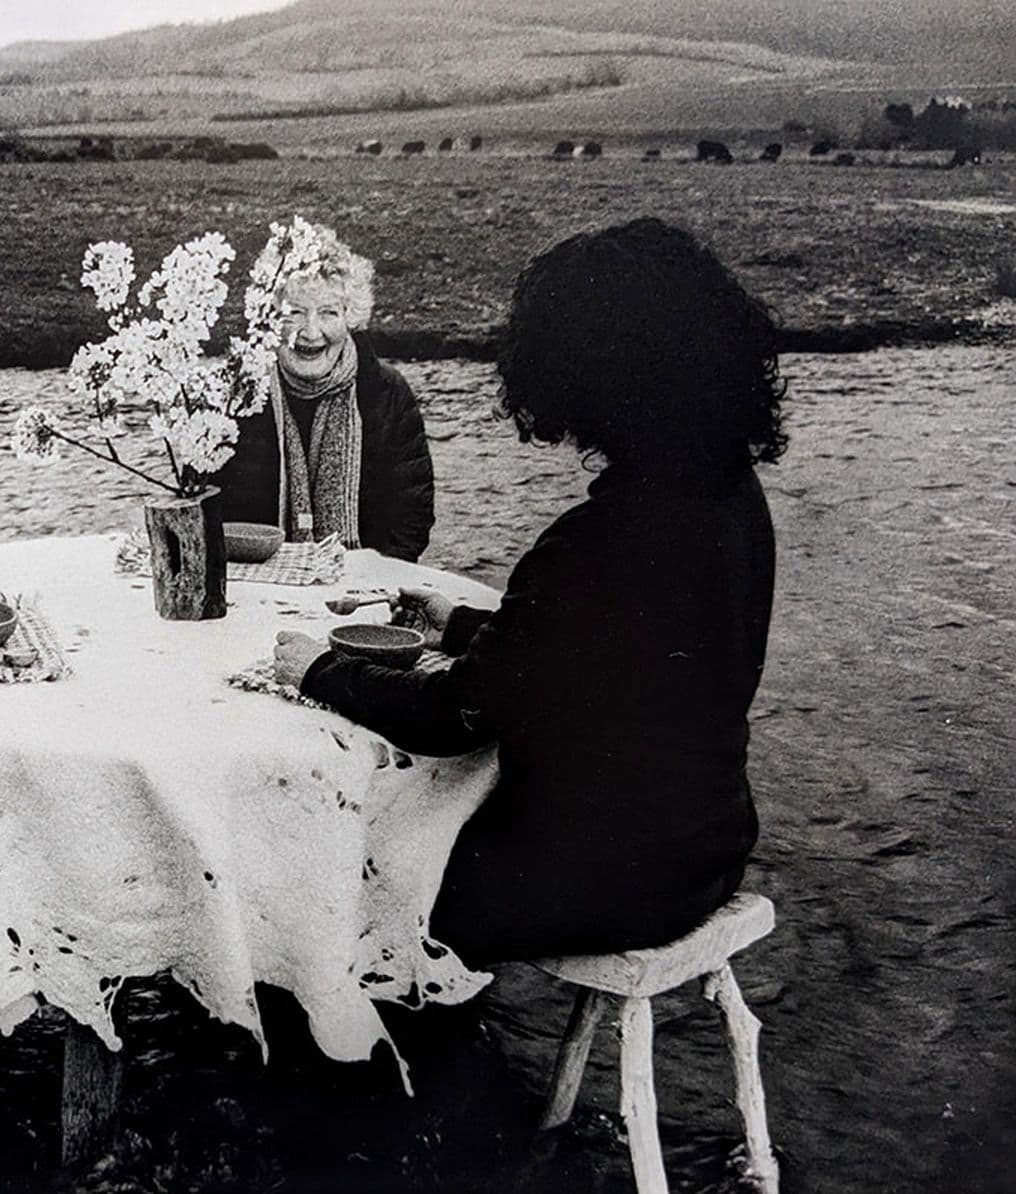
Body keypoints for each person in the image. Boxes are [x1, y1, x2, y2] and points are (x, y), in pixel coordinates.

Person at [272, 217, 786, 966]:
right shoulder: (732, 498)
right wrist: (458, 623)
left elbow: (454, 717)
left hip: (596, 883)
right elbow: (598, 645)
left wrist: (317, 669)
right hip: (707, 849)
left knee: (335, 856)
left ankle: (344, 1029)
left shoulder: (596, 538)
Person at [206, 222, 435, 562]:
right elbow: (205, 508)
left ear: (350, 318)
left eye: (328, 313)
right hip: (256, 577)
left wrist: (375, 571)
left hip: (364, 579)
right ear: (269, 317)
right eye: (294, 313)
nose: (311, 332)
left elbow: (412, 512)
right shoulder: (234, 393)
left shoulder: (387, 392)